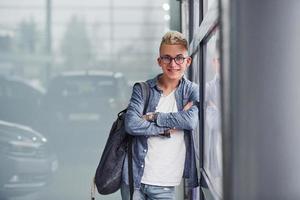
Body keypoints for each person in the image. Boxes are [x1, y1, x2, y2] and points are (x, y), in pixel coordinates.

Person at [122, 31, 199, 200]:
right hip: (133, 179)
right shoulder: (143, 89)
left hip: (164, 181)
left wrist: (153, 117)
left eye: (179, 58)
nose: (173, 63)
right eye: (167, 58)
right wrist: (166, 128)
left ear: (188, 61)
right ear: (159, 61)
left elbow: (191, 121)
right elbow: (132, 124)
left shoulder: (192, 91)